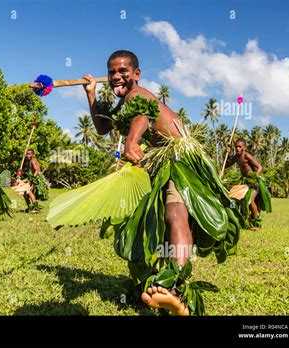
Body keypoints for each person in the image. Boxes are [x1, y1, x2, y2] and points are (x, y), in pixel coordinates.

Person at [81, 50, 245, 315]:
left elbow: (143, 115)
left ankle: (175, 287)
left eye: (123, 71)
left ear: (137, 74)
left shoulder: (138, 96)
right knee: (152, 224)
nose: (116, 76)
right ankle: (158, 282)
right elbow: (102, 127)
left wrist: (132, 141)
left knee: (174, 214)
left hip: (181, 158)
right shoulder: (123, 103)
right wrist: (91, 93)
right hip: (160, 164)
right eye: (112, 72)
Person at [224, 138, 272, 228]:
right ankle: (245, 220)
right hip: (244, 182)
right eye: (236, 147)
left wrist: (254, 178)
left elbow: (259, 167)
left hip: (254, 182)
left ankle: (257, 223)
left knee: (250, 200)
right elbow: (226, 165)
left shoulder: (247, 156)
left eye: (240, 147)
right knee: (241, 201)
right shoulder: (236, 157)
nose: (237, 148)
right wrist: (227, 154)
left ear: (244, 147)